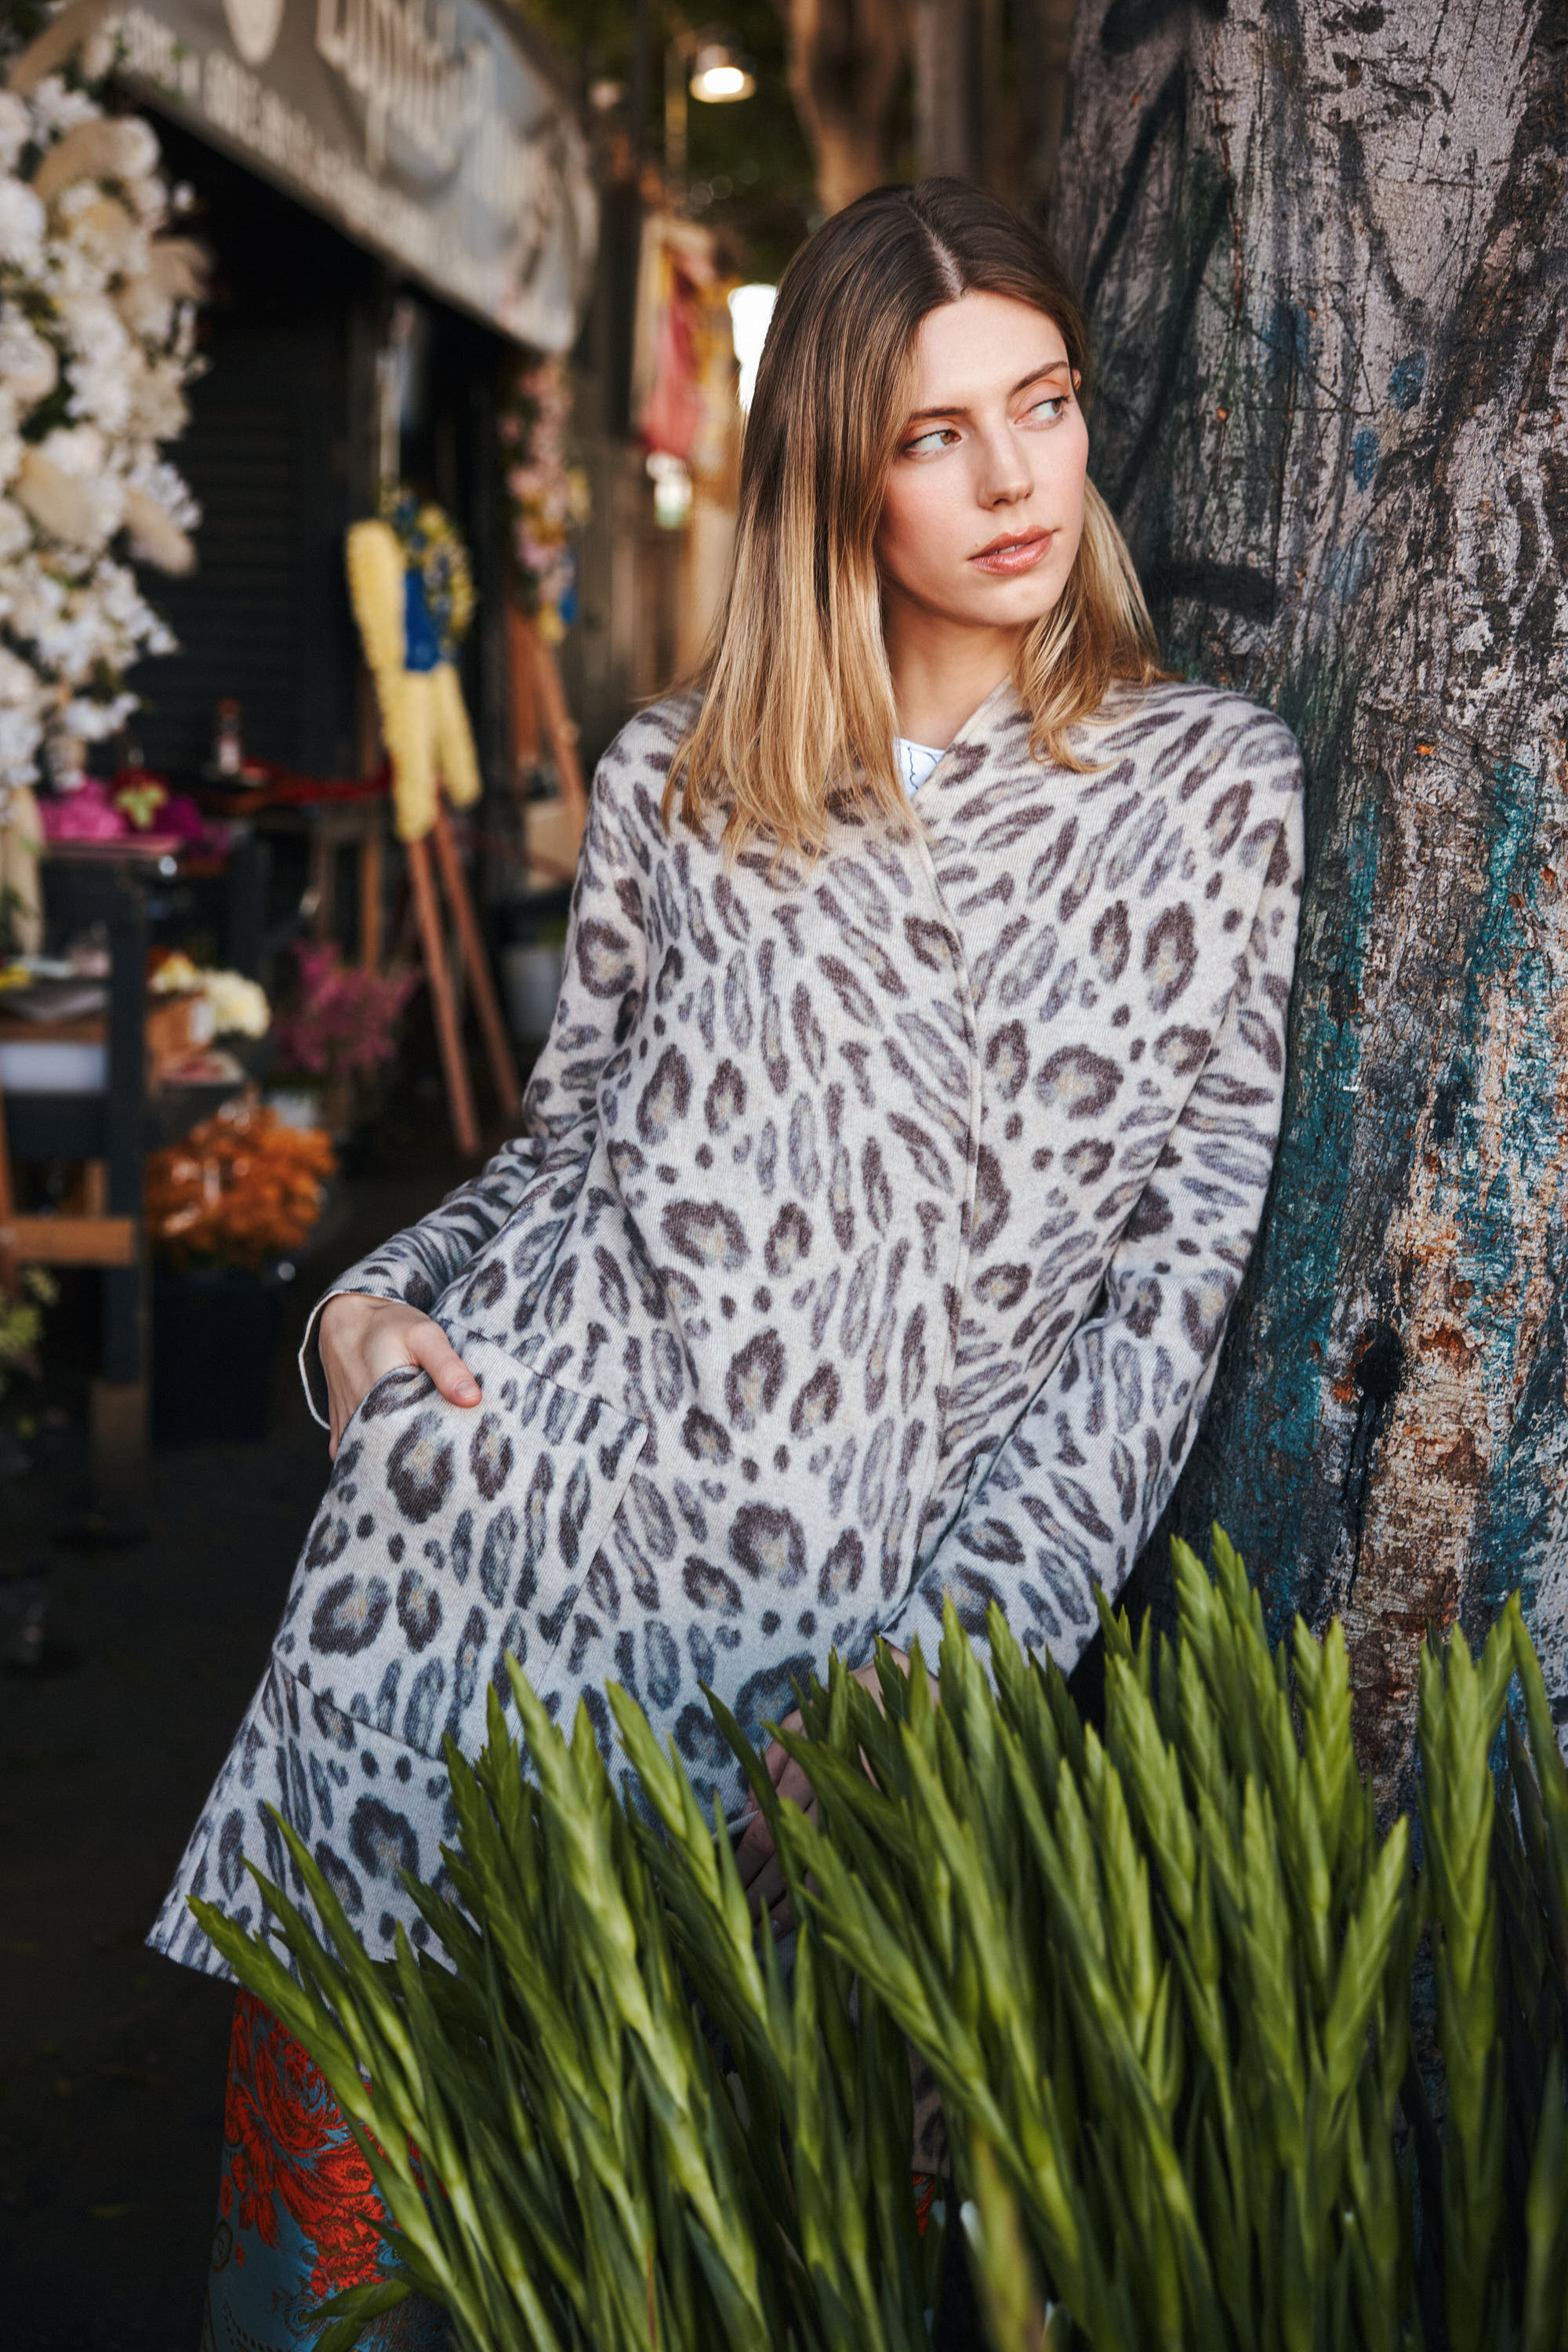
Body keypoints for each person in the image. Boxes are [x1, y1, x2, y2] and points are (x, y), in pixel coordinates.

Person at [151, 178, 1304, 2345]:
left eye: (1040, 406)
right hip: (505, 1555)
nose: (1011, 478)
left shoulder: (1211, 791)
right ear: (834, 470)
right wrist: (362, 1312)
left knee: (741, 2256)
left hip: (858, 1645)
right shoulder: (689, 779)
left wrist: (959, 1658)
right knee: (378, 2274)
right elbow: (571, 1156)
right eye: (932, 432)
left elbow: (1171, 1295)